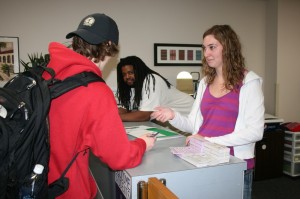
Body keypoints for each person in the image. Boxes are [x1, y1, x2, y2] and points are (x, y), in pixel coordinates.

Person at [43, 13, 156, 199]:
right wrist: (143, 143)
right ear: (110, 46)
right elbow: (119, 157)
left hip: (39, 182)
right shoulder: (95, 90)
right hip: (66, 189)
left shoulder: (50, 76)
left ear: (76, 41)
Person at [151, 25, 265, 199]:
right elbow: (193, 125)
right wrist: (173, 115)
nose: (206, 53)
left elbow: (255, 132)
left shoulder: (250, 82)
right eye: (204, 48)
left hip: (234, 162)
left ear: (228, 47)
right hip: (203, 158)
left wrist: (208, 141)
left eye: (212, 47)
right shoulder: (205, 82)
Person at [116, 55, 194, 122]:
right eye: (124, 74)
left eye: (131, 73)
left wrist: (114, 118)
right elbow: (124, 109)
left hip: (187, 115)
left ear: (138, 71)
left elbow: (145, 115)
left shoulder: (151, 80)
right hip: (169, 119)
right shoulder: (131, 86)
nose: (127, 77)